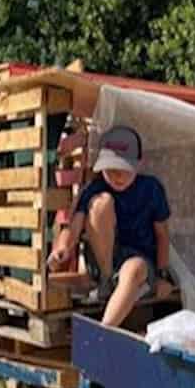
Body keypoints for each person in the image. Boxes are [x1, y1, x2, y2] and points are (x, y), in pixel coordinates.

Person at [48, 125, 173, 328]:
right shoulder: (95, 188)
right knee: (101, 203)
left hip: (138, 264)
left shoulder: (151, 189)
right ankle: (107, 282)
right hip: (102, 263)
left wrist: (163, 275)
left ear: (138, 164)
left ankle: (104, 332)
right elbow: (73, 226)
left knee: (134, 269)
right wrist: (61, 249)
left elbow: (162, 234)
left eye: (124, 169)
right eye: (111, 170)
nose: (118, 176)